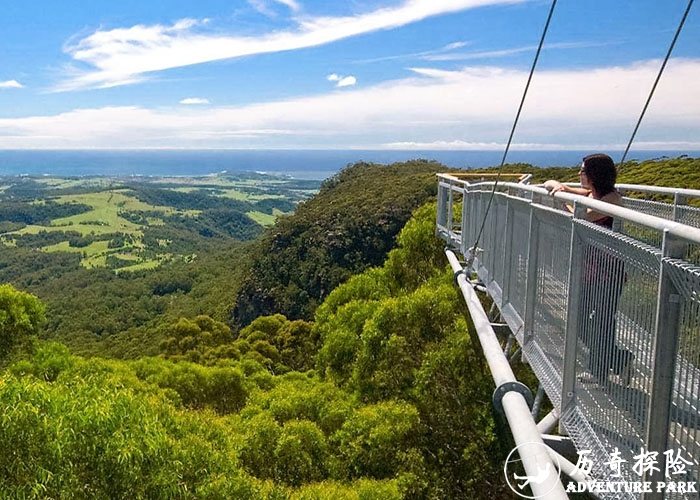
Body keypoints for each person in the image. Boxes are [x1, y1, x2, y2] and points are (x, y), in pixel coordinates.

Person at [545, 153, 632, 385]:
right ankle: (619, 358)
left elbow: (582, 217)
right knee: (581, 320)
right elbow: (552, 184)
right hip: (590, 271)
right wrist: (558, 187)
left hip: (608, 273)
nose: (579, 174)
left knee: (603, 321)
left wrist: (561, 201)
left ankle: (598, 371)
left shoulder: (611, 199)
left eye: (583, 171)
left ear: (595, 174)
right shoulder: (593, 194)